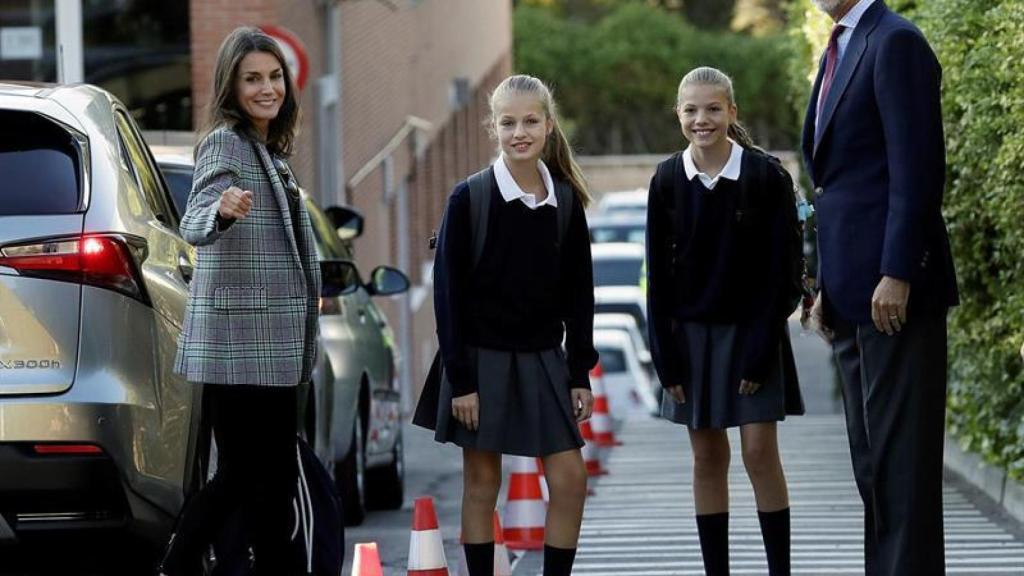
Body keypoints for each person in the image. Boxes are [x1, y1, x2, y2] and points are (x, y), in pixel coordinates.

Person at [414, 74, 598, 576]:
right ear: (493, 127)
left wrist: (580, 369)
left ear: (548, 125)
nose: (520, 131)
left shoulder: (564, 203)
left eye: (530, 121)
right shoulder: (468, 199)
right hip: (479, 360)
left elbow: (580, 295)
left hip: (544, 360)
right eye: (508, 122)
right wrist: (463, 381)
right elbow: (448, 299)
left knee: (570, 480)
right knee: (481, 485)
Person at [158, 26, 321, 576]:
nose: (267, 88)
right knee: (244, 479)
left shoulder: (267, 148)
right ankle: (178, 567)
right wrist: (221, 210)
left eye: (274, 77)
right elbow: (197, 214)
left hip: (266, 349)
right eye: (253, 79)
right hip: (241, 347)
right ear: (231, 85)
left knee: (266, 483)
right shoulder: (227, 143)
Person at [802, 1, 959, 575]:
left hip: (895, 293)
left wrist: (899, 271)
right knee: (873, 469)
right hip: (848, 297)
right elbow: (835, 182)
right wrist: (821, 284)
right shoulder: (841, 44)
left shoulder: (895, 42)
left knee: (903, 471)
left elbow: (918, 170)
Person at [646, 66, 804, 576]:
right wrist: (664, 358)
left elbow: (785, 273)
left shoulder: (765, 176)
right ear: (678, 115)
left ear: (732, 113)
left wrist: (763, 348)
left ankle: (779, 569)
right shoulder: (667, 179)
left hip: (754, 333)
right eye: (691, 110)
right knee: (707, 456)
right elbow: (660, 280)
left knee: (759, 452)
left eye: (713, 108)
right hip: (690, 340)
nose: (702, 119)